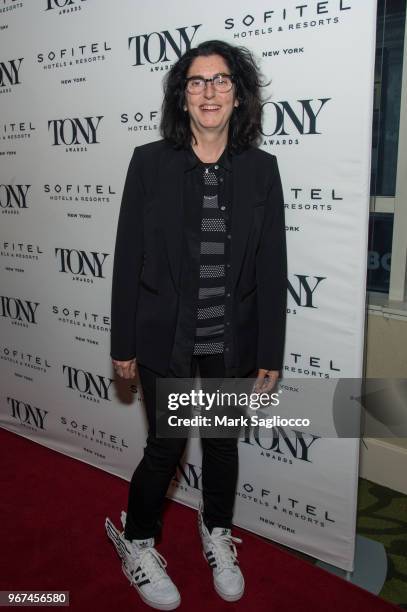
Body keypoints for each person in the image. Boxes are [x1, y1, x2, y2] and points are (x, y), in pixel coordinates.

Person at [105, 39, 287, 610]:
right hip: (166, 339)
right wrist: (123, 343)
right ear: (182, 98)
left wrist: (270, 350)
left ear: (239, 95)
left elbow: (272, 264)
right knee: (165, 447)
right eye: (196, 81)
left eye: (222, 80)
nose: (209, 91)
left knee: (223, 444)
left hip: (230, 341)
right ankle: (137, 540)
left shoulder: (262, 171)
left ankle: (216, 531)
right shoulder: (149, 162)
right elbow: (128, 254)